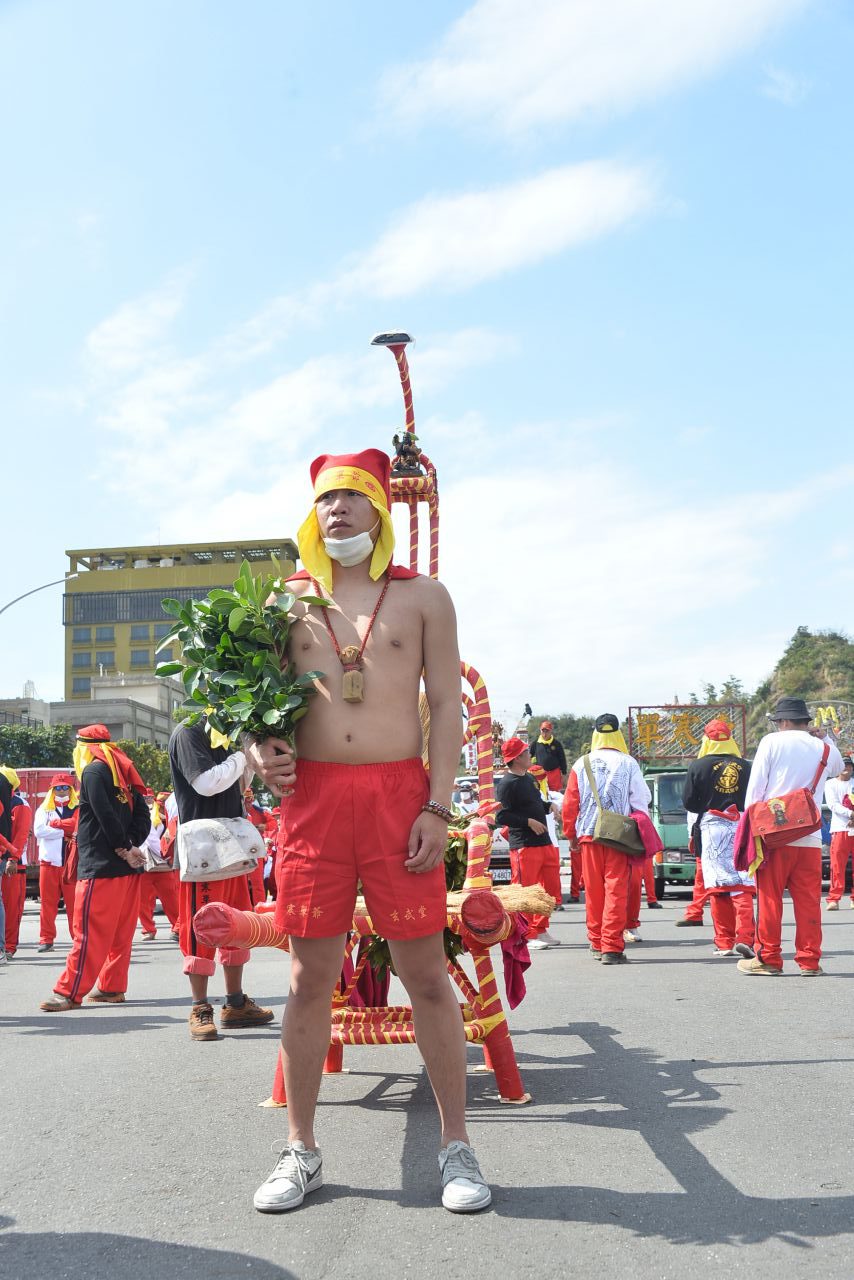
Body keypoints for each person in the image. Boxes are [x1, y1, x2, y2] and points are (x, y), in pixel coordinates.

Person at [246, 447, 491, 1216]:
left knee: (426, 976)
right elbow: (253, 708)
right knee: (306, 979)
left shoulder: (424, 598)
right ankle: (300, 1149)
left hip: (399, 799)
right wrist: (260, 750)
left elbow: (447, 708)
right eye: (326, 500)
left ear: (381, 510)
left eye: (353, 498)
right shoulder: (286, 601)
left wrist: (437, 805)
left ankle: (457, 1148)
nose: (338, 511)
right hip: (312, 802)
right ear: (310, 514)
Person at [169, 719, 275, 1041]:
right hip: (202, 843)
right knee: (200, 924)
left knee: (236, 922)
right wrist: (244, 753)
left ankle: (235, 1002)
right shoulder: (189, 732)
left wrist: (248, 752)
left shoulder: (229, 734)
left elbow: (240, 781)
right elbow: (205, 783)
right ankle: (200, 1006)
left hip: (232, 837)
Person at [40, 726, 152, 1010]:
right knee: (120, 935)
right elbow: (143, 814)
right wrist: (132, 845)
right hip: (126, 869)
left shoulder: (92, 771)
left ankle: (68, 992)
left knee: (88, 932)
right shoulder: (121, 770)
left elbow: (103, 815)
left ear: (83, 747)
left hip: (101, 866)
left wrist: (124, 848)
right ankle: (111, 987)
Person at [738, 698, 843, 977]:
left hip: (773, 835)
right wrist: (828, 738)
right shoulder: (823, 747)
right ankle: (810, 961)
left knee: (770, 897)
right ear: (805, 722)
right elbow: (836, 767)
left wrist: (750, 827)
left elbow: (756, 788)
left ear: (782, 721)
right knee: (809, 899)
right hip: (809, 834)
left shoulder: (772, 742)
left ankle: (769, 958)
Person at [562, 713, 651, 964]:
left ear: (596, 733)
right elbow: (641, 801)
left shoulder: (582, 763)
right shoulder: (629, 763)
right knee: (616, 890)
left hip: (589, 835)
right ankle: (611, 947)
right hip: (618, 837)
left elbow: (571, 803)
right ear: (618, 734)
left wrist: (571, 835)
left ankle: (596, 941)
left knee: (593, 891)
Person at [682, 720, 754, 959]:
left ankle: (724, 942)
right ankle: (746, 938)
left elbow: (690, 803)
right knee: (742, 885)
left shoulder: (698, 766)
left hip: (712, 830)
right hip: (742, 827)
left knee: (718, 887)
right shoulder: (746, 766)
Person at [496, 740, 561, 948]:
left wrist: (550, 806)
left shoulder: (530, 779)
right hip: (524, 844)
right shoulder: (507, 784)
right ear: (516, 758)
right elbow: (502, 816)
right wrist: (527, 822)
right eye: (525, 753)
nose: (529, 755)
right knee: (525, 891)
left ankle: (540, 929)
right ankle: (526, 935)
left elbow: (536, 804)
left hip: (543, 841)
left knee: (547, 889)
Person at [32, 773, 79, 953]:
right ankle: (46, 939)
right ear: (52, 789)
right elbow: (39, 831)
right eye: (57, 788)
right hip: (49, 863)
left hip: (71, 864)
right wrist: (64, 832)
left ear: (71, 789)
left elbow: (77, 825)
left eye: (65, 787)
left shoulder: (77, 807)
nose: (61, 790)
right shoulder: (43, 809)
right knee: (47, 904)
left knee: (75, 904)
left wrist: (56, 825)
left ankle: (77, 938)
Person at [137, 788, 180, 941]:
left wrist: (167, 854)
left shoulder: (165, 815)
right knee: (143, 900)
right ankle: (148, 929)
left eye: (149, 797)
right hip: (145, 861)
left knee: (171, 898)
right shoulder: (141, 814)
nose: (147, 800)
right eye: (143, 798)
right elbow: (148, 838)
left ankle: (177, 927)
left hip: (164, 863)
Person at [0, 766, 32, 958]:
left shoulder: (19, 803)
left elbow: (20, 835)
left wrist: (12, 859)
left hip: (13, 864)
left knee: (11, 908)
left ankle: (9, 947)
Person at [823, 756, 854, 911]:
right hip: (840, 829)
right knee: (837, 866)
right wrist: (850, 814)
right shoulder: (830, 784)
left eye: (849, 765)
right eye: (843, 765)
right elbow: (833, 804)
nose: (846, 768)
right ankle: (834, 899)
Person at [530, 722, 566, 792]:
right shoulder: (535, 743)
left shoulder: (556, 743)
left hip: (554, 774)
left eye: (547, 731)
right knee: (542, 793)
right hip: (540, 774)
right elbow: (529, 756)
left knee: (556, 793)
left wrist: (564, 773)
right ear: (540, 731)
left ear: (551, 731)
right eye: (543, 731)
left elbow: (562, 759)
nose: (545, 733)